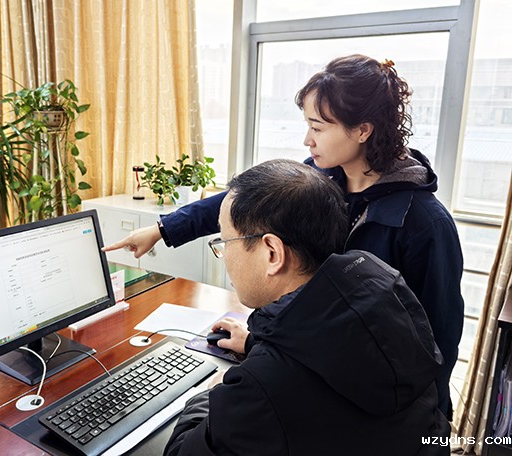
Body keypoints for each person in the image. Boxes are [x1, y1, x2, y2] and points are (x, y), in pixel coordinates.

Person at [103, 54, 464, 421]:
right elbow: (243, 202)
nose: (307, 140)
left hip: (374, 406)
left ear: (362, 130)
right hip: (313, 375)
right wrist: (162, 229)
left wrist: (427, 425)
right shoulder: (319, 179)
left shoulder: (425, 224)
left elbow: (439, 341)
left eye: (318, 128)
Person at [163, 159, 448, 456]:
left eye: (225, 241)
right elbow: (334, 354)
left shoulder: (261, 388)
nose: (223, 253)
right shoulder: (383, 291)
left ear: (272, 253)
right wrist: (255, 343)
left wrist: (211, 394)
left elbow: (181, 453)